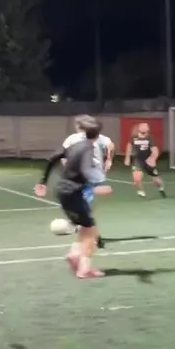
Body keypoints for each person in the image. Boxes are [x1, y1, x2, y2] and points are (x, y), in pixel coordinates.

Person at [36, 119, 113, 279]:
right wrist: (94, 188)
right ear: (98, 135)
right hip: (73, 192)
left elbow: (52, 158)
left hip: (62, 190)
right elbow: (85, 170)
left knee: (85, 227)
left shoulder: (75, 146)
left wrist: (43, 181)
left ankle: (74, 253)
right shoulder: (89, 149)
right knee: (92, 231)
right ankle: (84, 269)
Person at [62, 115, 113, 248]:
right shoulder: (75, 139)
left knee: (83, 208)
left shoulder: (78, 138)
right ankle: (93, 236)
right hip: (88, 177)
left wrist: (109, 159)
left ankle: (89, 235)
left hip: (90, 177)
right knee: (84, 208)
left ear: (80, 126)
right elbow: (64, 154)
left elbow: (110, 144)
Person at [123, 122, 166, 198]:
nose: (144, 128)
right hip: (138, 160)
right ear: (139, 128)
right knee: (137, 178)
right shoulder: (134, 137)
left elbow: (155, 150)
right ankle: (141, 191)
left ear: (148, 129)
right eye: (142, 126)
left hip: (148, 161)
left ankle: (161, 188)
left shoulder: (150, 138)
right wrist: (127, 158)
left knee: (156, 180)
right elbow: (129, 146)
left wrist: (153, 158)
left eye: (145, 127)